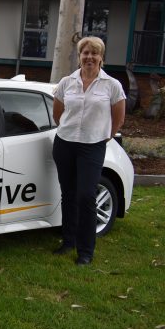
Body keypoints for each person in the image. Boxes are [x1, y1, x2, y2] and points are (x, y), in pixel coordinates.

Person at [52, 36, 125, 265]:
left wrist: (105, 136)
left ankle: (86, 251)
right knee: (68, 195)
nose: (89, 57)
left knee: (86, 196)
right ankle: (68, 241)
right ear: (79, 55)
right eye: (85, 53)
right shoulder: (67, 82)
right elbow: (58, 114)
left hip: (92, 147)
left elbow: (118, 118)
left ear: (101, 57)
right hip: (65, 143)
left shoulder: (112, 85)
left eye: (94, 53)